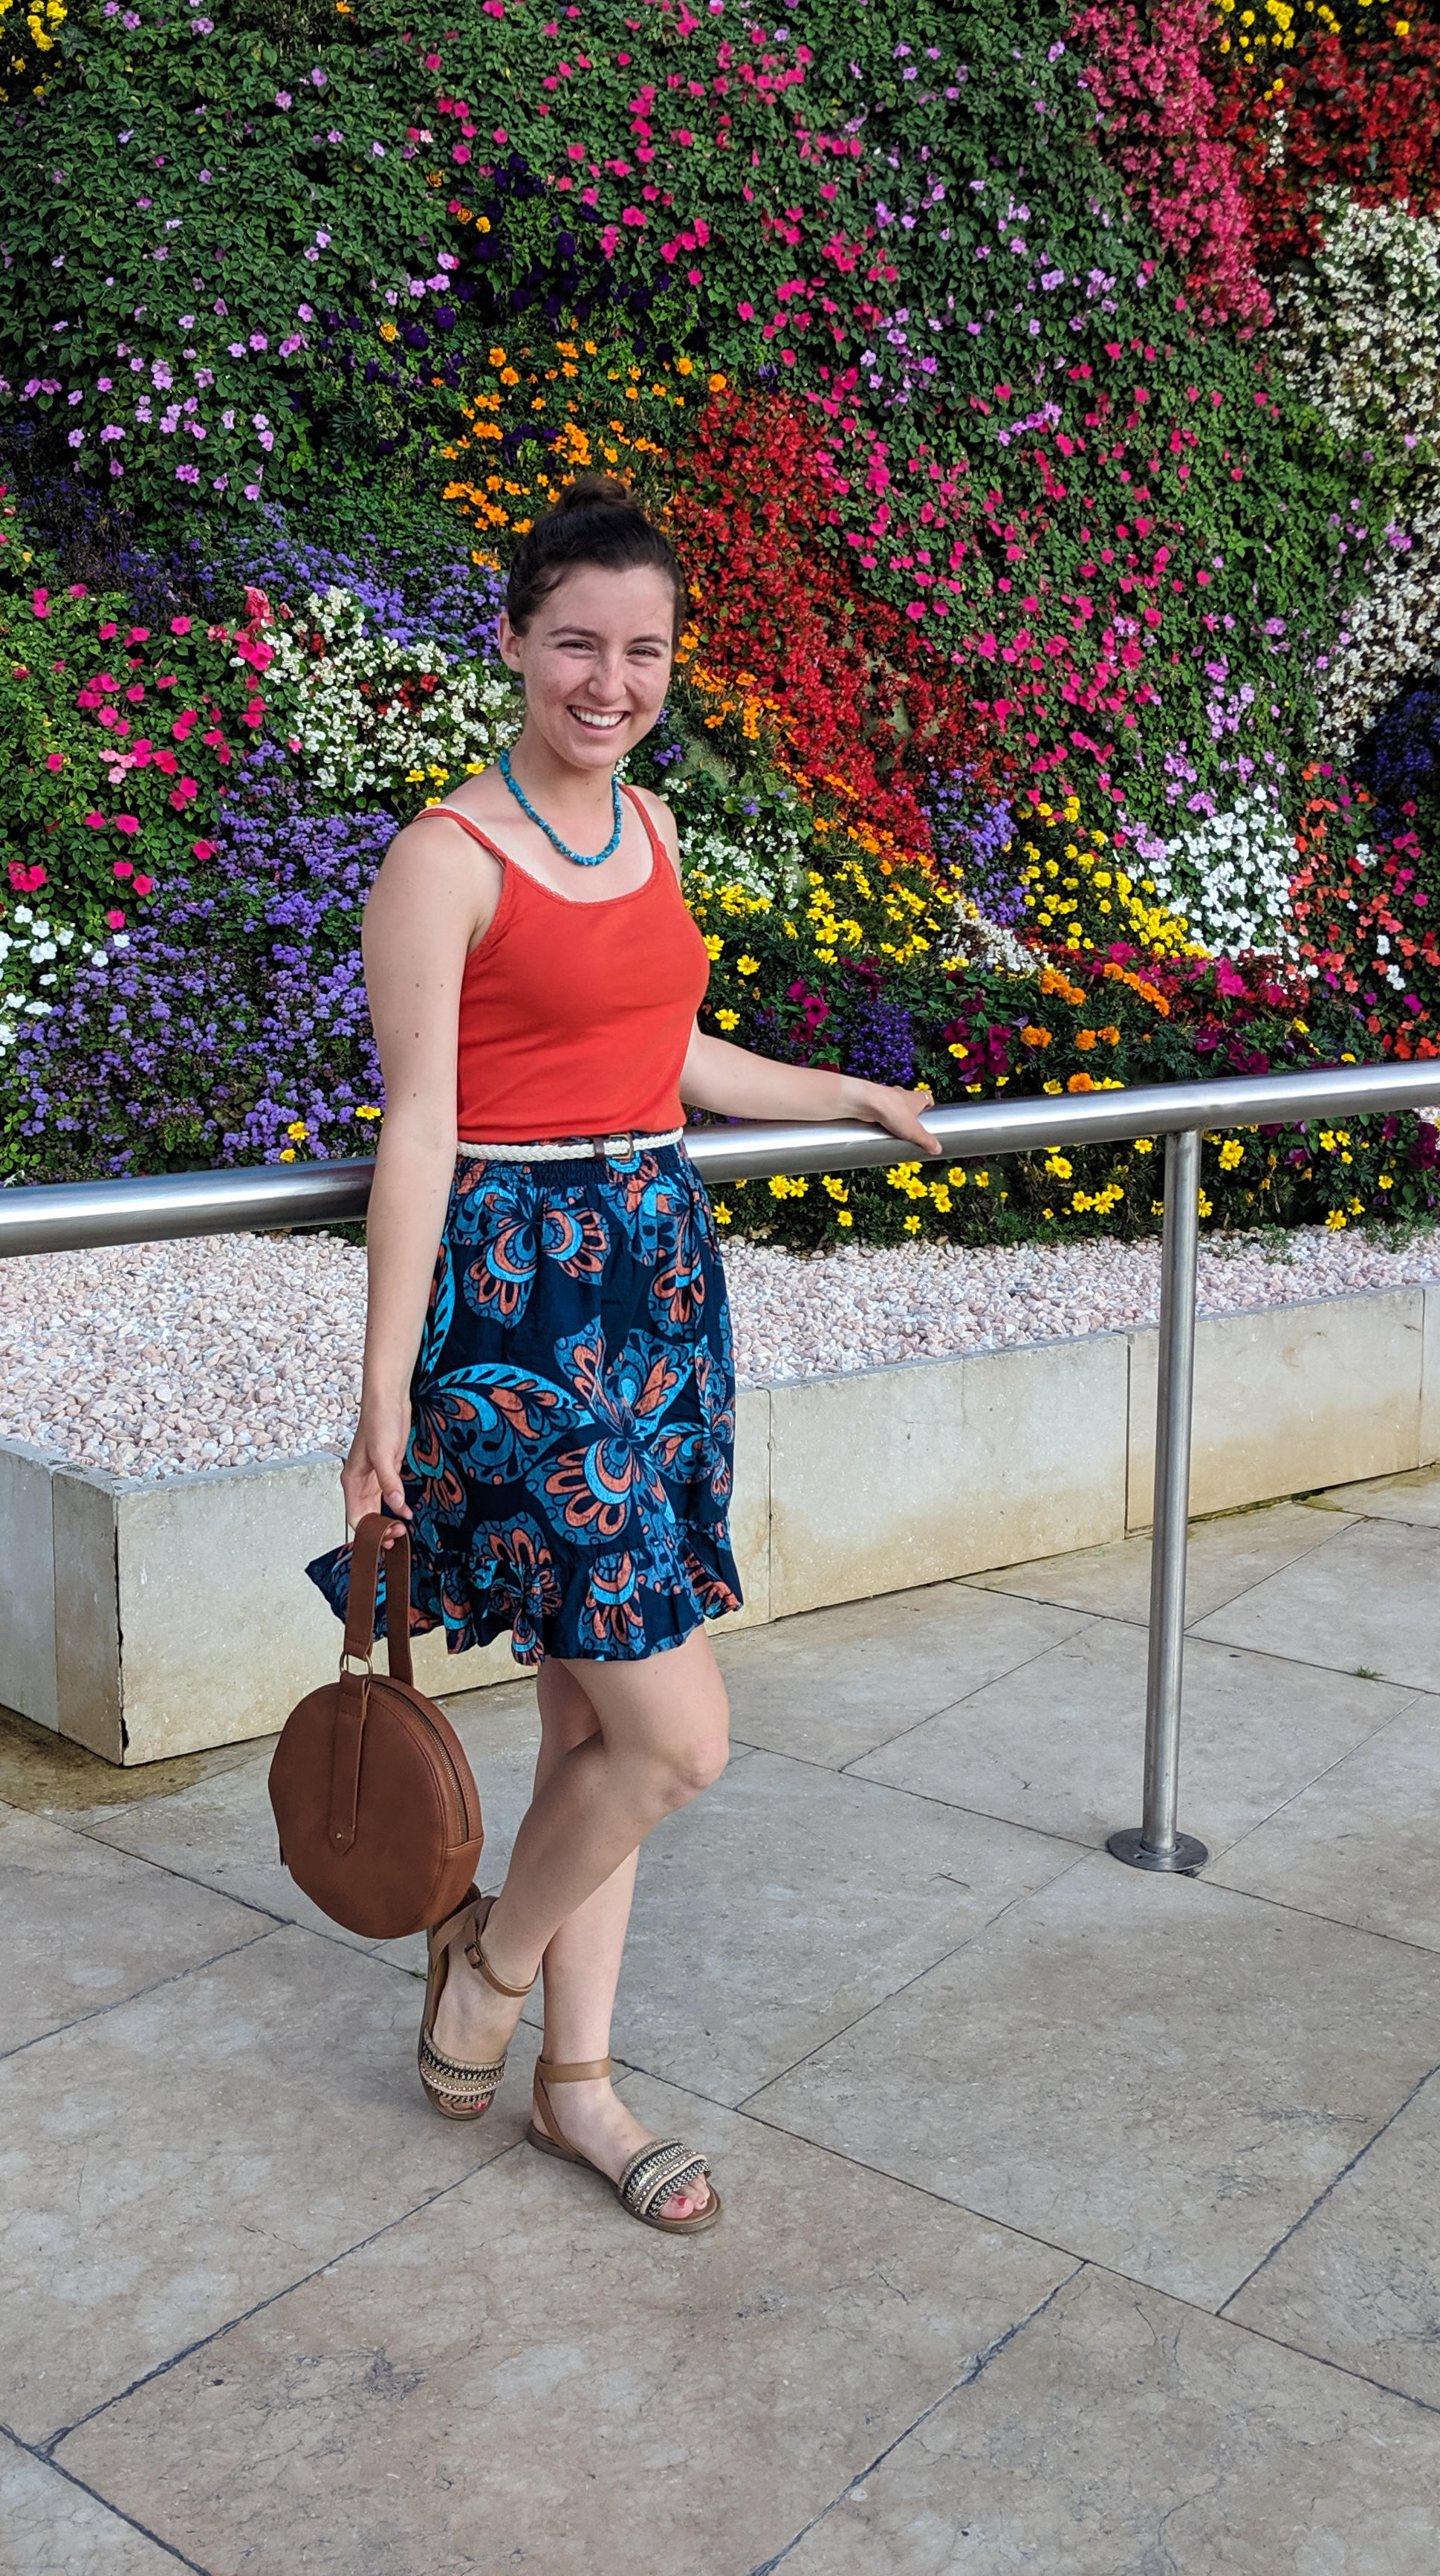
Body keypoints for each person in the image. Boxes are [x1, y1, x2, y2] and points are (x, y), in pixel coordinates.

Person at [309, 475, 943, 2234]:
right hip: (520, 1312)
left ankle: (576, 2089)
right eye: (578, 642)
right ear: (512, 642)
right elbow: (419, 1130)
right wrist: (376, 1394)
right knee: (681, 1737)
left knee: (596, 1713)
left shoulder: (650, 833)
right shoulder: (441, 861)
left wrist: (845, 1094)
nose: (611, 678)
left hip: (657, 1284)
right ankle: (489, 1977)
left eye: (644, 649)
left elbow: (666, 1050)